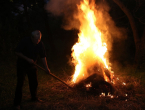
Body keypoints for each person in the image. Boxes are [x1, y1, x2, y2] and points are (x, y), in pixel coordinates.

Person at [14, 30, 50, 109]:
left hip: (32, 65)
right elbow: (17, 52)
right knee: (20, 83)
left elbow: (43, 56)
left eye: (39, 39)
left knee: (34, 82)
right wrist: (27, 59)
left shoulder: (40, 44)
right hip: (22, 65)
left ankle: (34, 98)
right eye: (36, 39)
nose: (38, 41)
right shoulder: (25, 41)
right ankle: (17, 104)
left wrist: (46, 68)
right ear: (32, 37)